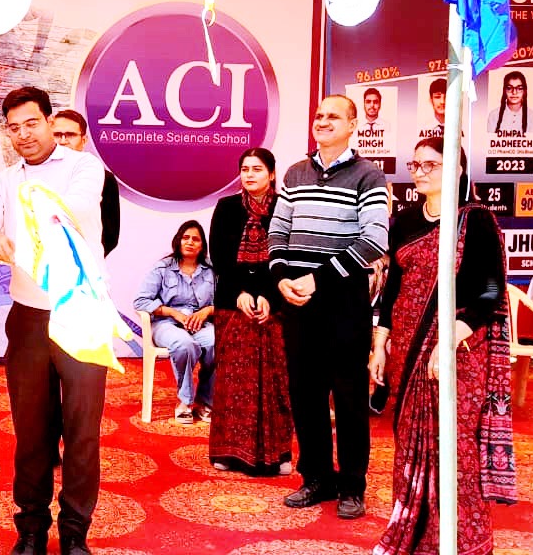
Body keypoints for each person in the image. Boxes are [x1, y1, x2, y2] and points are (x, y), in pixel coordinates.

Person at [0, 86, 106, 555]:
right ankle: (30, 529)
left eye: (31, 124)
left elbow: (73, 211)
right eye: (14, 128)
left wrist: (19, 226)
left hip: (80, 310)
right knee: (30, 430)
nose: (23, 135)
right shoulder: (5, 179)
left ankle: (75, 532)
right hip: (28, 315)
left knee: (82, 430)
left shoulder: (84, 167)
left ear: (50, 121)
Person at [369, 137, 515, 555]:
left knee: (455, 443)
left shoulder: (476, 221)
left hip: (459, 350)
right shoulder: (404, 221)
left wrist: (449, 339)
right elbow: (392, 288)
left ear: (456, 169)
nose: (420, 172)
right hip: (407, 348)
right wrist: (380, 343)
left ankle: (461, 540)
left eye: (430, 165)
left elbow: (490, 292)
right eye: (415, 165)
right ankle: (413, 531)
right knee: (409, 442)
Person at [268, 94, 389, 520]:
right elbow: (278, 231)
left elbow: (374, 240)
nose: (322, 121)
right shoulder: (295, 172)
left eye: (333, 116)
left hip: (344, 303)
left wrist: (316, 279)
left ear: (353, 125)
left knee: (349, 397)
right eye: (318, 115)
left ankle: (352, 486)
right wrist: (281, 278)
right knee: (306, 395)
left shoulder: (369, 176)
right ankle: (316, 478)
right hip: (298, 302)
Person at [207, 148, 293, 475]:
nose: (250, 175)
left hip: (277, 304)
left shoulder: (286, 208)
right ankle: (229, 453)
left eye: (257, 169)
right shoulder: (227, 208)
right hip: (233, 305)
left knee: (275, 381)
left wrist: (271, 297)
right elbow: (220, 258)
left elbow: (290, 257)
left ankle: (278, 454)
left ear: (272, 174)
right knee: (234, 381)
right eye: (245, 169)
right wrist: (240, 294)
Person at [132, 221, 216, 424]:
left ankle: (205, 401)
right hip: (166, 324)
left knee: (216, 341)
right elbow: (141, 301)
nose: (190, 242)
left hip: (199, 324)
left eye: (195, 239)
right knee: (184, 344)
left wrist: (206, 312)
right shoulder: (162, 268)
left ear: (202, 246)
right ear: (178, 241)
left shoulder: (210, 270)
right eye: (185, 238)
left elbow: (223, 301)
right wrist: (174, 313)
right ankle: (184, 402)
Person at [52, 109, 120, 256]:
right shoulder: (37, 174)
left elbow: (110, 235)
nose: (63, 141)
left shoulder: (104, 177)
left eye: (70, 135)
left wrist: (85, 258)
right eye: (56, 135)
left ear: (84, 140)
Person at [486, 70, 533, 135]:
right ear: (504, 91)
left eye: (519, 88)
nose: (514, 92)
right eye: (509, 88)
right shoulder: (494, 115)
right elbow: (489, 139)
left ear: (524, 91)